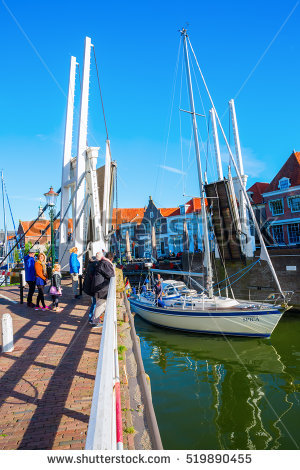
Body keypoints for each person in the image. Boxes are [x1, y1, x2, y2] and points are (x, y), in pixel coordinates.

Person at [90, 251, 115, 327]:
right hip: (101, 288)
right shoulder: (105, 263)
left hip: (98, 287)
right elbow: (111, 275)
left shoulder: (102, 263)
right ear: (112, 258)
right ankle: (95, 322)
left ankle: (95, 320)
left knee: (99, 304)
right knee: (101, 305)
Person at [83, 256, 97, 324]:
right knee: (94, 303)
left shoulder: (89, 265)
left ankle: (91, 317)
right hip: (92, 287)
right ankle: (91, 318)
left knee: (94, 302)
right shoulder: (93, 266)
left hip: (89, 287)